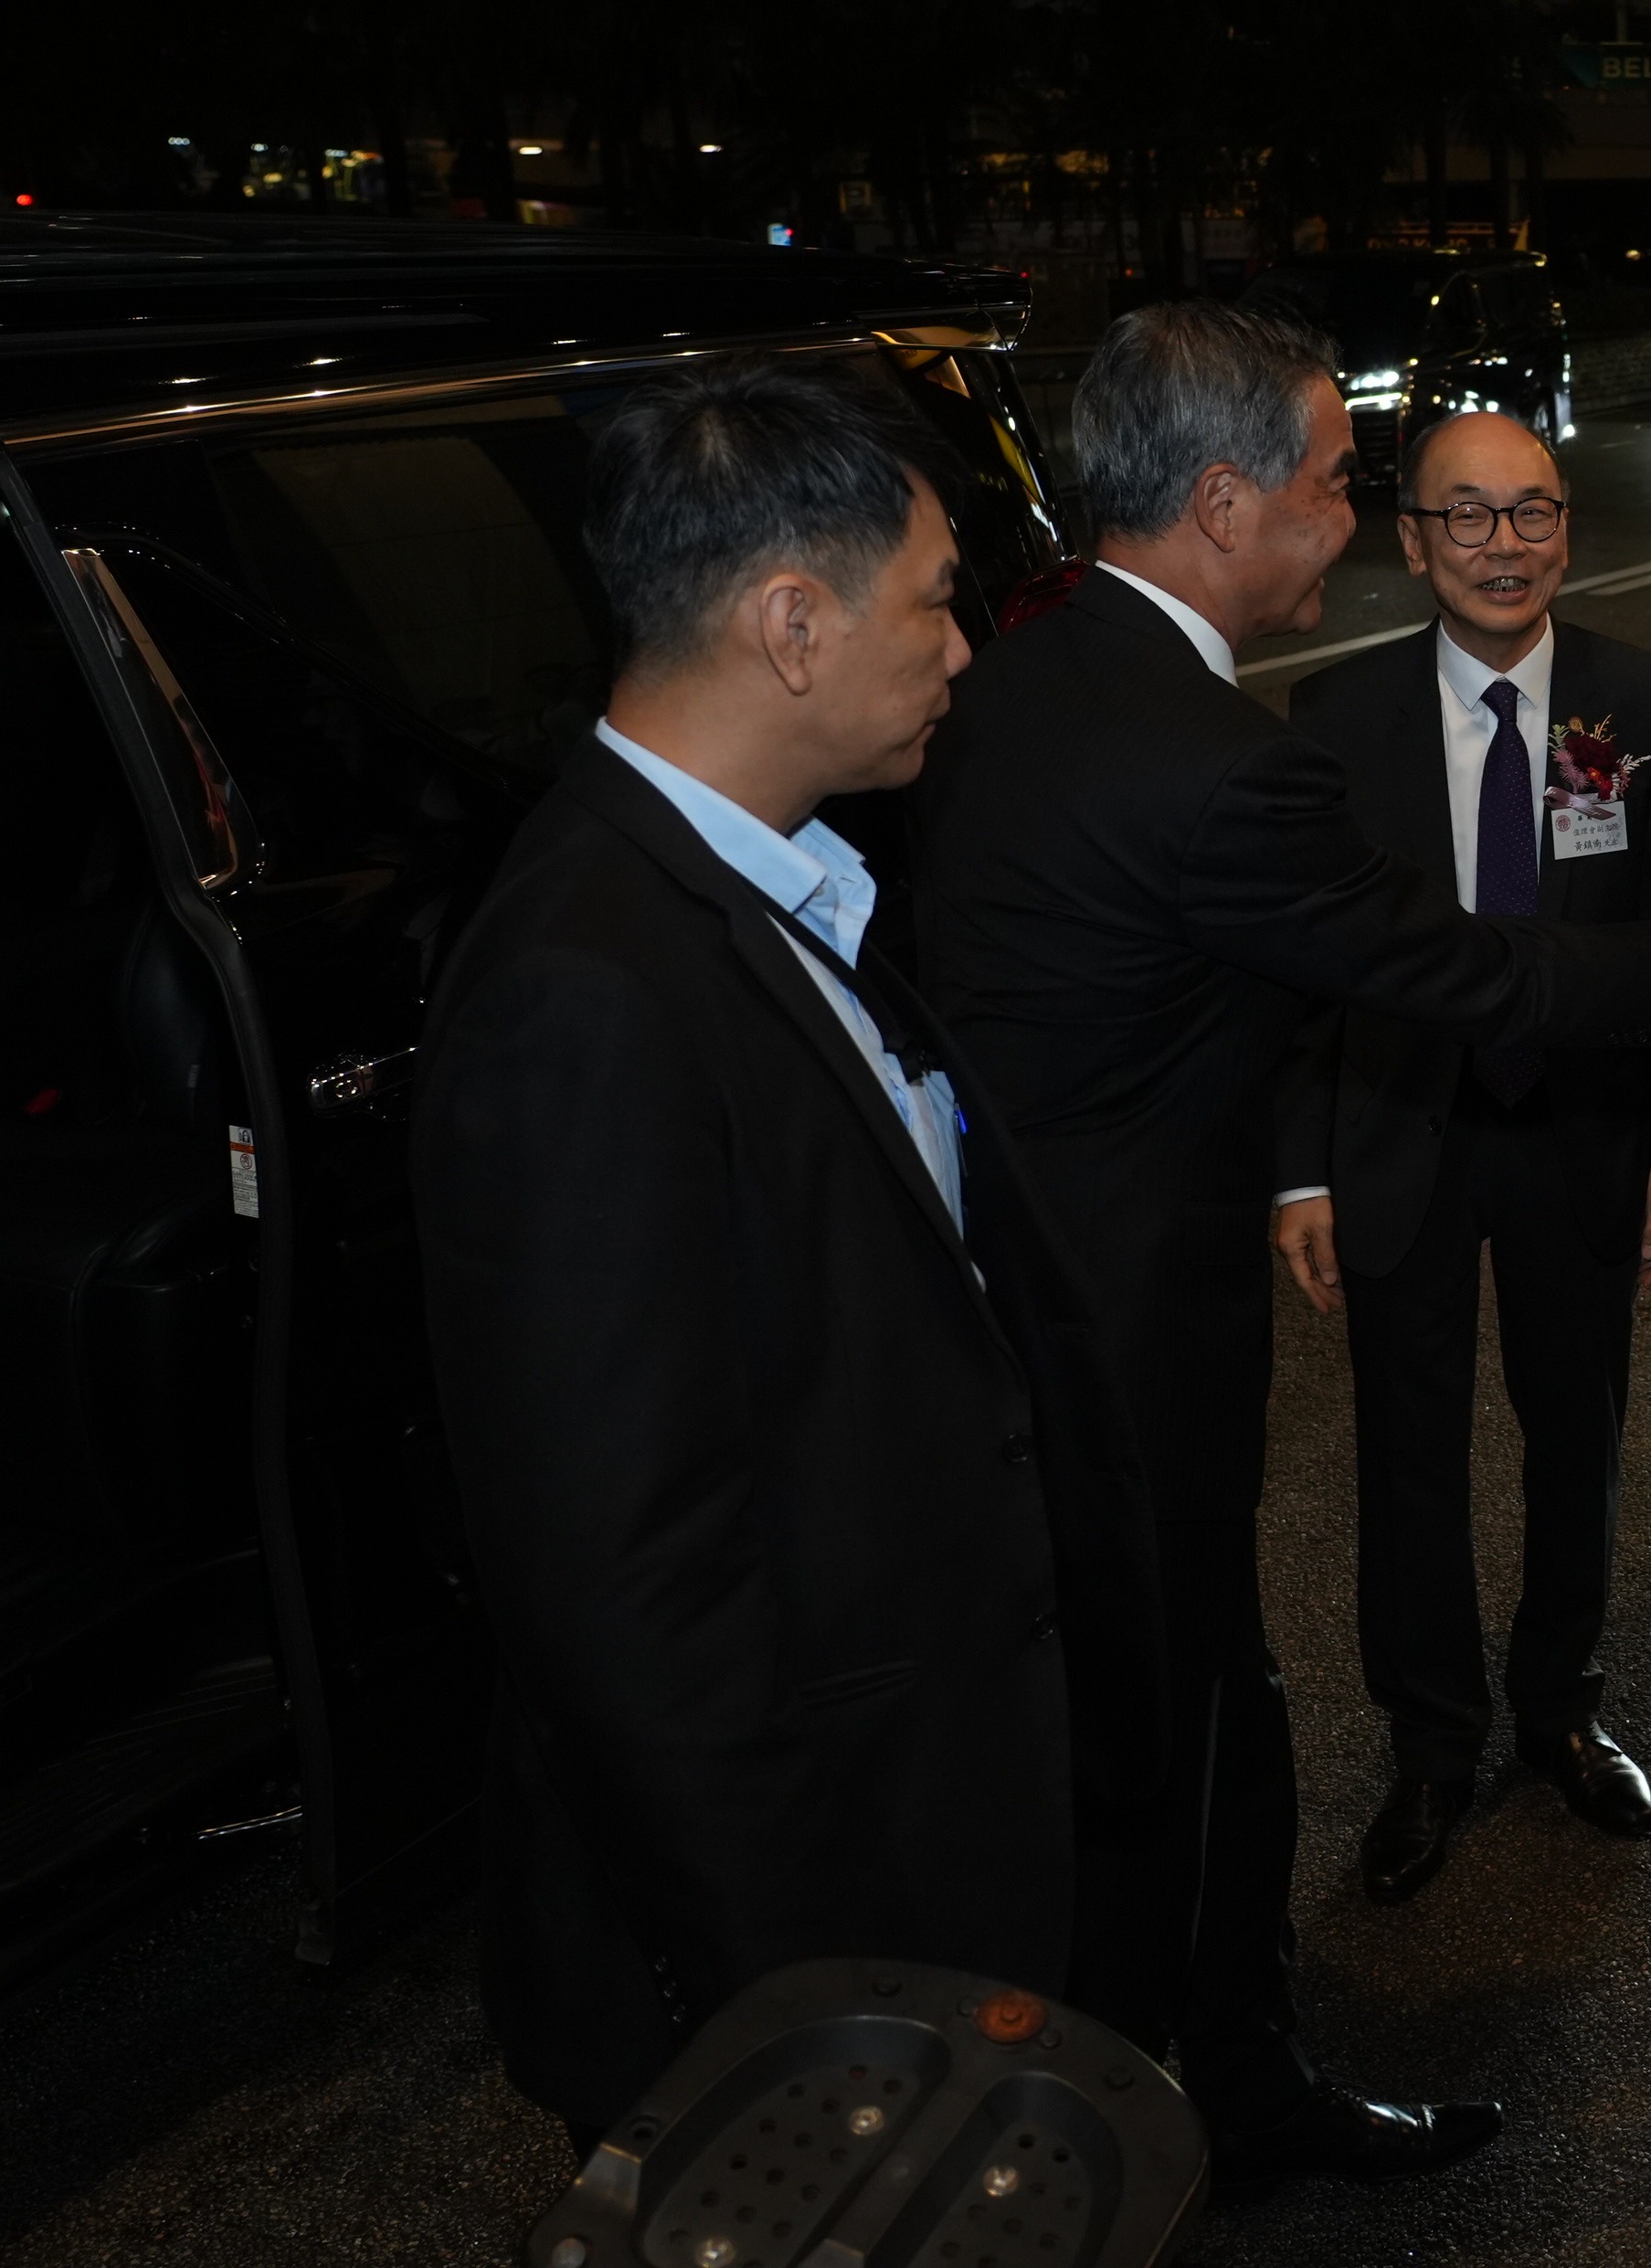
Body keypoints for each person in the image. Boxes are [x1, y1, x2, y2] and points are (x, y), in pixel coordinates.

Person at [909, 302, 1651, 2180]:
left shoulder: (1016, 685)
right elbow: (1443, 971)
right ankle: (1180, 2102)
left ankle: (1191, 2068)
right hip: (1144, 1330)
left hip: (1049, 1312)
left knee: (1181, 1710)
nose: (1348, 523)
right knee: (1190, 1723)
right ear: (1220, 501)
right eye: (1339, 484)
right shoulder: (1231, 748)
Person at [412, 360, 1166, 2146]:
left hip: (930, 1835)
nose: (964, 648)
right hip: (818, 1939)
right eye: (934, 601)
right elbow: (626, 1589)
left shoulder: (775, 879)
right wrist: (811, 2020)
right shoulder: (585, 989)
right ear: (792, 624)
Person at [1266, 409, 1651, 1902]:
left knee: (1577, 1428)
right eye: (1465, 515)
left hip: (1580, 1126)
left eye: (1531, 510)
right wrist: (1300, 1170)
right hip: (1403, 1124)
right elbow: (1301, 968)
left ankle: (1560, 1705)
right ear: (1411, 541)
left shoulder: (1637, 697)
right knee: (1407, 1448)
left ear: (1567, 527)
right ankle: (1431, 1741)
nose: (1502, 544)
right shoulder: (1335, 716)